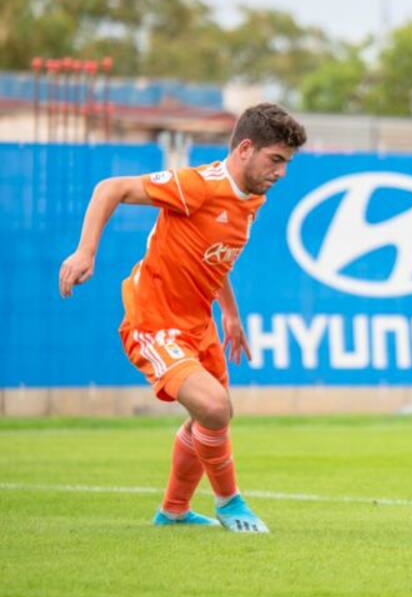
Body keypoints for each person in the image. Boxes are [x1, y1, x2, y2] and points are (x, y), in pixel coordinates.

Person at [58, 103, 307, 532]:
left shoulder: (252, 198)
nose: (282, 172)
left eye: (286, 162)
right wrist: (85, 251)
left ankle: (173, 512)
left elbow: (213, 256)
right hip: (154, 321)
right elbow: (110, 188)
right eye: (276, 159)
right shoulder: (198, 185)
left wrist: (230, 312)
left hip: (199, 324)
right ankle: (230, 502)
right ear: (245, 148)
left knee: (207, 417)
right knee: (215, 407)